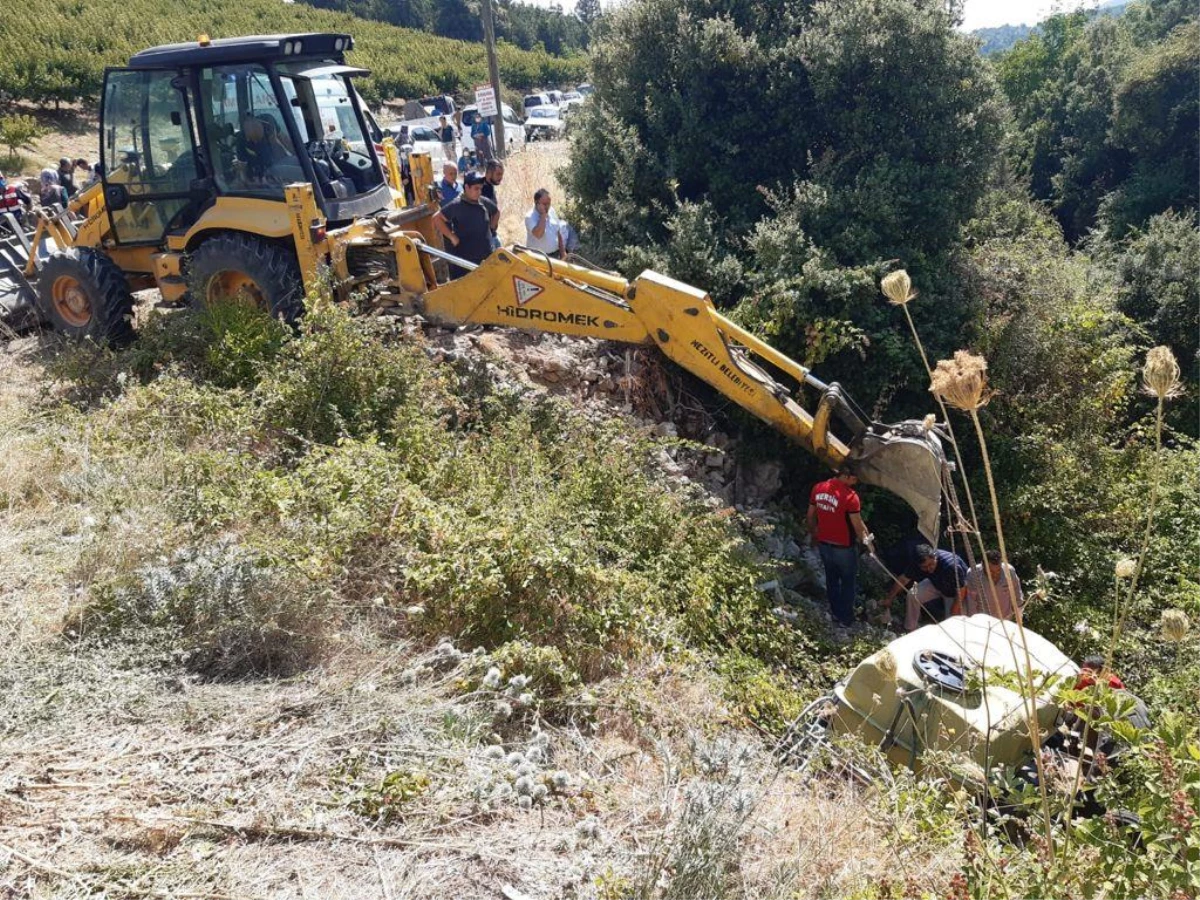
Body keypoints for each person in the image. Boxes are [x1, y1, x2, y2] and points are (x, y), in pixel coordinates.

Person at [807, 469, 874, 627]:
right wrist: (868, 545)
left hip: (824, 543)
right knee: (848, 582)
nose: (856, 481)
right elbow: (857, 526)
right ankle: (846, 618)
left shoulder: (818, 488)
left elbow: (810, 516)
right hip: (843, 547)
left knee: (831, 579)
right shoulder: (850, 496)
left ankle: (835, 612)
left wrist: (814, 534)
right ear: (844, 476)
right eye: (854, 478)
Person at [885, 543, 968, 632]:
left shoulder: (951, 565)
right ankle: (910, 628)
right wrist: (889, 599)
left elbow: (962, 590)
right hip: (937, 583)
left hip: (957, 592)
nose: (929, 569)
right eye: (924, 567)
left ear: (934, 557)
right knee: (913, 595)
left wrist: (954, 610)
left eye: (931, 564)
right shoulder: (917, 563)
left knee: (952, 623)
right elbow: (903, 580)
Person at [432, 170, 498, 278]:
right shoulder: (457, 205)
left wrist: (492, 228)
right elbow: (437, 218)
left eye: (480, 189)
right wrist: (452, 237)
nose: (479, 192)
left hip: (486, 258)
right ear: (467, 188)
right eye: (476, 189)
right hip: (466, 262)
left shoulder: (482, 202)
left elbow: (496, 212)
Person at [965, 549, 1025, 620]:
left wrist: (1019, 614)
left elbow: (1017, 595)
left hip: (1005, 619)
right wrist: (974, 621)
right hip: (982, 620)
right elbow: (971, 603)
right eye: (991, 571)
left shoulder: (1009, 572)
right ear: (983, 565)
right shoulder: (973, 574)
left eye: (998, 570)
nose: (995, 575)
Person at [524, 188, 565, 258]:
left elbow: (558, 233)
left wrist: (563, 253)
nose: (547, 206)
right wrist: (543, 215)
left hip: (555, 255)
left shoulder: (551, 210)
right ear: (537, 203)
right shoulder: (530, 217)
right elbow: (539, 234)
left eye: (549, 203)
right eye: (544, 204)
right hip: (538, 257)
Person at [481, 160, 504, 249]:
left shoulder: (490, 186)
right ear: (489, 173)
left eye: (501, 174)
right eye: (498, 174)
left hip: (492, 235)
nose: (501, 177)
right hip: (485, 239)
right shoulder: (480, 189)